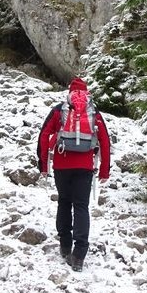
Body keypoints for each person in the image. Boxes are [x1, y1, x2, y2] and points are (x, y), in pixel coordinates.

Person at [37, 77, 111, 272]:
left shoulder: (59, 110)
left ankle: (64, 245)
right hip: (85, 167)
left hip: (61, 165)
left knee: (64, 202)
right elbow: (105, 140)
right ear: (87, 93)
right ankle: (79, 255)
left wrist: (43, 165)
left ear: (70, 92)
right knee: (81, 206)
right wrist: (105, 170)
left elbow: (44, 135)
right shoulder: (93, 112)